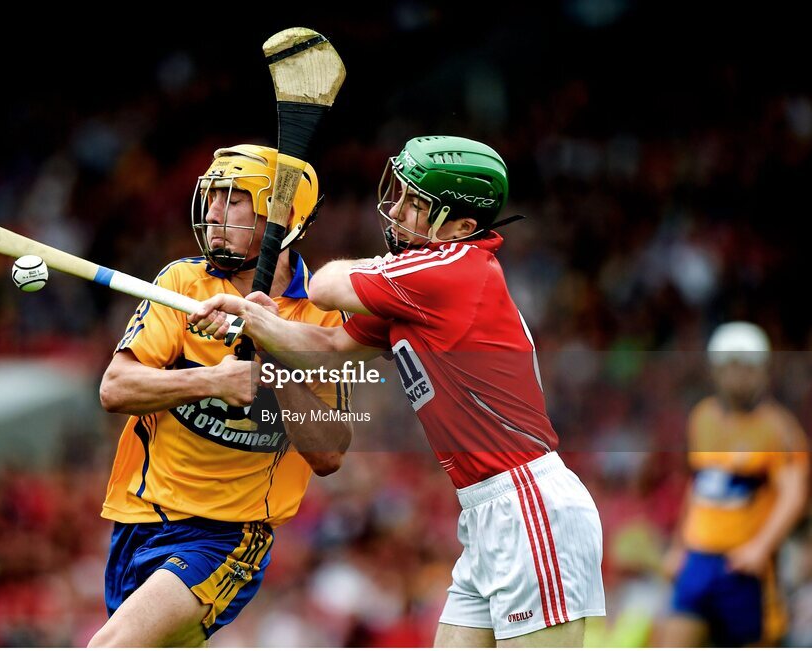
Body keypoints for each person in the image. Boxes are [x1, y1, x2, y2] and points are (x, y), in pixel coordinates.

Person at [190, 135, 606, 646]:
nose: (399, 211)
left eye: (417, 204)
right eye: (403, 195)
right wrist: (253, 321)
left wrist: (296, 268)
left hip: (528, 505)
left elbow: (322, 287)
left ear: (462, 227)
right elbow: (326, 347)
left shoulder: (452, 267)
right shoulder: (417, 288)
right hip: (486, 511)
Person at [88, 145, 354, 647]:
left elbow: (330, 452)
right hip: (139, 519)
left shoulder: (320, 316)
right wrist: (213, 380)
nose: (212, 213)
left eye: (232, 200)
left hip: (226, 536)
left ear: (282, 218)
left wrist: (272, 357)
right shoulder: (182, 283)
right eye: (211, 198)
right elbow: (115, 387)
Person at [659, 321, 809, 647]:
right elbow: (698, 487)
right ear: (715, 370)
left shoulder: (779, 429)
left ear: (762, 371)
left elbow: (794, 494)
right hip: (699, 559)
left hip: (743, 566)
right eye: (728, 366)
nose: (736, 375)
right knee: (672, 639)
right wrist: (678, 547)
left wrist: (761, 547)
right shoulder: (702, 417)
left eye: (745, 367)